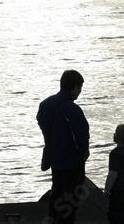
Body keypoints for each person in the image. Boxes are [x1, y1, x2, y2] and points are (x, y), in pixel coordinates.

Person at [37, 70, 90, 224]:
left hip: (54, 156)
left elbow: (40, 120)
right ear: (74, 87)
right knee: (71, 198)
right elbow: (81, 136)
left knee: (56, 192)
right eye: (80, 87)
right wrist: (84, 152)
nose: (80, 91)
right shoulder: (72, 109)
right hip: (71, 160)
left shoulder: (45, 104)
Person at [104, 124, 124, 224]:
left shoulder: (115, 153)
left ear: (120, 136)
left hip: (119, 187)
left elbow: (113, 173)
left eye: (116, 132)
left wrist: (107, 189)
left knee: (116, 214)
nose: (114, 134)